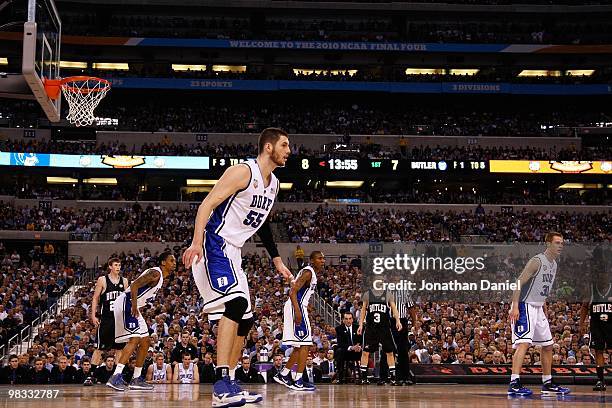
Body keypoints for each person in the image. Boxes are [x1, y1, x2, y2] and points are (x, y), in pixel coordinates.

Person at [183, 127, 292, 407]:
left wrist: (276, 259)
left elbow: (263, 223)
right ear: (269, 147)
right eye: (284, 145)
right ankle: (220, 382)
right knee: (235, 303)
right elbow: (207, 203)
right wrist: (196, 242)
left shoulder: (274, 184)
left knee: (246, 318)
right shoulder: (243, 171)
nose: (288, 150)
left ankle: (230, 382)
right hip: (214, 243)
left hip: (234, 253)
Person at [508, 232, 570, 396]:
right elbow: (518, 282)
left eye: (562, 243)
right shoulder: (537, 261)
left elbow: (541, 287)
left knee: (548, 345)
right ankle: (514, 383)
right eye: (557, 243)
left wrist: (544, 305)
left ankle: (547, 383)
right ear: (548, 243)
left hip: (537, 306)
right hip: (524, 305)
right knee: (524, 343)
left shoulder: (554, 264)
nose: (560, 246)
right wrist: (515, 306)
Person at [107, 252, 176, 391]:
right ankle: (116, 376)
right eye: (171, 260)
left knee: (146, 341)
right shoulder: (155, 274)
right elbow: (134, 285)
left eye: (175, 261)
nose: (174, 263)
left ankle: (136, 378)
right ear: (163, 262)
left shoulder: (160, 277)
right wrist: (133, 306)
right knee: (135, 339)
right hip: (127, 303)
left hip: (133, 306)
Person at [274, 251, 324, 391]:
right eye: (319, 258)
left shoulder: (308, 272)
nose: (323, 261)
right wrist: (298, 311)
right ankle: (298, 380)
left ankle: (284, 374)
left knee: (300, 345)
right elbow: (292, 292)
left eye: (323, 258)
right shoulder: (308, 272)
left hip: (297, 306)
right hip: (296, 306)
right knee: (305, 344)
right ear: (312, 260)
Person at [91, 257, 128, 375]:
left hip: (119, 320)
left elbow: (127, 301)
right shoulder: (103, 280)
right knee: (99, 349)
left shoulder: (125, 281)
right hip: (106, 319)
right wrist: (93, 315)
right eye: (116, 265)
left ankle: (117, 376)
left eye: (119, 265)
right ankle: (90, 375)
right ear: (110, 267)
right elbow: (95, 298)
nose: (118, 267)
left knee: (120, 349)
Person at [357, 287, 402, 385]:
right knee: (365, 352)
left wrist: (398, 321)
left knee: (390, 352)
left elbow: (394, 308)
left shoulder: (387, 294)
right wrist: (360, 325)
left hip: (384, 328)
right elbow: (363, 310)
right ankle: (364, 378)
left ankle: (393, 378)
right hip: (371, 328)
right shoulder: (367, 294)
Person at [580, 265, 611, 391]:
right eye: (600, 275)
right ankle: (600, 380)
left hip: (610, 325)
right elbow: (584, 306)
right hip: (596, 326)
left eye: (604, 275)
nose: (602, 278)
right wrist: (581, 323)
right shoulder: (591, 290)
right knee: (598, 351)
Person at [334, 312, 362, 384]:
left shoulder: (358, 327)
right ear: (343, 320)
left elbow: (361, 340)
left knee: (365, 352)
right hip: (345, 352)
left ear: (352, 319)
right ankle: (340, 377)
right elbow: (340, 343)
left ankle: (364, 378)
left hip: (357, 352)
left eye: (350, 319)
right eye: (346, 319)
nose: (348, 321)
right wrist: (351, 347)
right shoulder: (339, 329)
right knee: (339, 350)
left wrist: (359, 346)